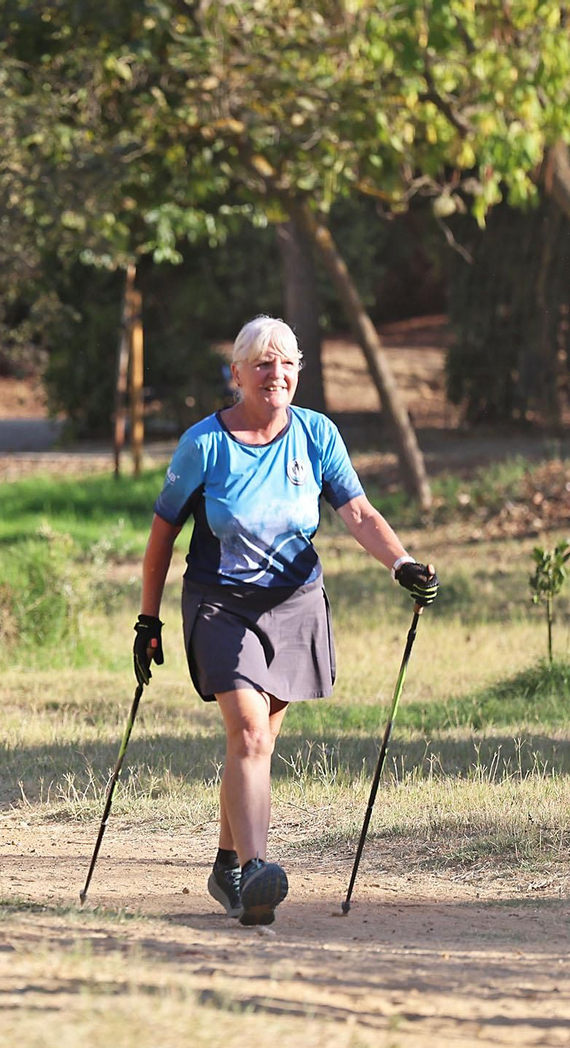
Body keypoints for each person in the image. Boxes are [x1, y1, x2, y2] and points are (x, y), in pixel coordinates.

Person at [134, 316, 438, 927]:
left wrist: (400, 562)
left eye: (287, 364)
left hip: (295, 601)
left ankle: (227, 865)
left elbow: (356, 509)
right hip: (220, 602)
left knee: (258, 742)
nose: (277, 375)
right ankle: (256, 875)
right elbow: (163, 533)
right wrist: (148, 618)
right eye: (263, 364)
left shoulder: (316, 434)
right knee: (248, 731)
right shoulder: (205, 444)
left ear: (299, 372)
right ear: (238, 374)